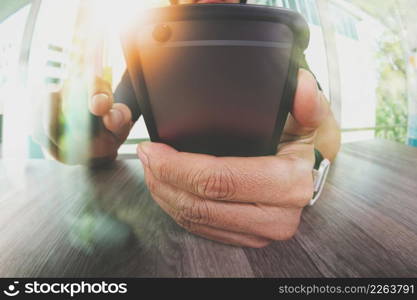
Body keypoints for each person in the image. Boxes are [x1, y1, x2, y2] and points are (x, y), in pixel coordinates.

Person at [37, 0, 341, 248]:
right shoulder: (146, 55)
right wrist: (80, 127)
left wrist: (306, 166)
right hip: (165, 226)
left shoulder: (280, 38)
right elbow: (111, 127)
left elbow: (323, 127)